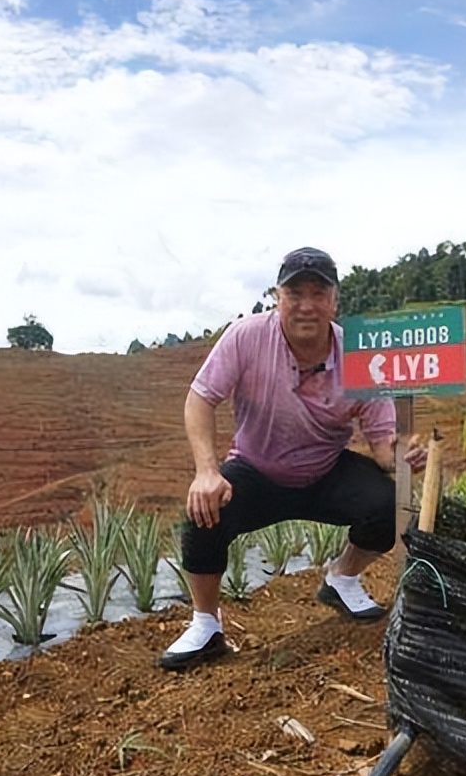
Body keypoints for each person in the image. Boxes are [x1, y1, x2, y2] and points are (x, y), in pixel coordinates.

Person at [160, 247, 426, 671]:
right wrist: (207, 471)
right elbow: (200, 399)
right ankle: (206, 624)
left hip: (325, 468)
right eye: (294, 293)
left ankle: (342, 578)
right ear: (276, 297)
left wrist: (403, 457)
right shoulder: (246, 336)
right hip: (256, 468)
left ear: (334, 301)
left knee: (392, 502)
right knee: (202, 512)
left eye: (318, 293)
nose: (307, 305)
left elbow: (381, 443)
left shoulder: (359, 356)